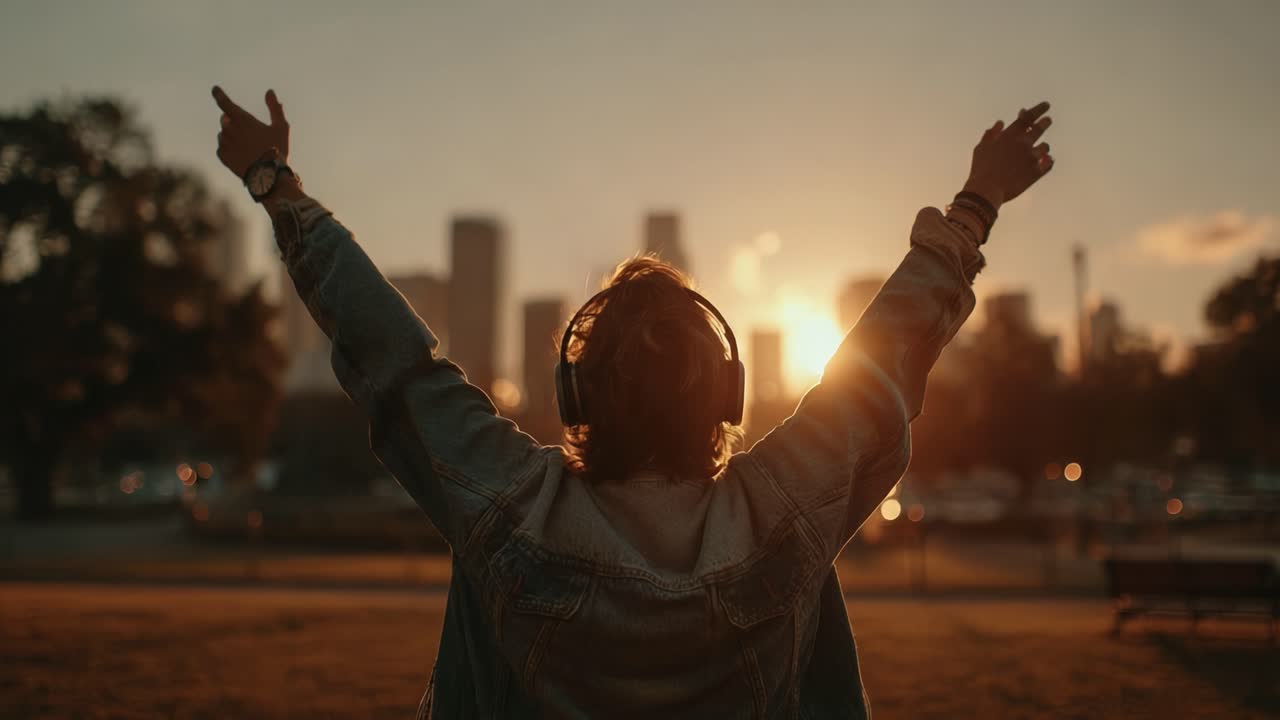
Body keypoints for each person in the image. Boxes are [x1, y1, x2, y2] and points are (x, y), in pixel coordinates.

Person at [210, 86, 1054, 719]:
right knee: (811, 571)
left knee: (481, 563)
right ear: (726, 395)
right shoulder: (782, 509)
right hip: (783, 540)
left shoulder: (514, 506)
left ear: (577, 395)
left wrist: (273, 181)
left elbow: (397, 357)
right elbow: (881, 362)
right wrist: (976, 203)